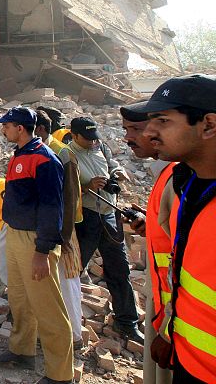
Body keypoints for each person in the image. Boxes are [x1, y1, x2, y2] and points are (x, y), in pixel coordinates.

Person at [130, 74, 216, 382]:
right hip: (188, 360)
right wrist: (169, 332)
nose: (148, 131)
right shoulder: (184, 184)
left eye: (163, 121)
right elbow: (180, 275)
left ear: (208, 125)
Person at [0, 107, 73, 384]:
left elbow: (53, 208)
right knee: (20, 299)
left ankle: (60, 375)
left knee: (48, 307)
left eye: (7, 126)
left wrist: (42, 251)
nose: (3, 130)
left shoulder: (44, 159)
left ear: (20, 128)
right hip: (15, 234)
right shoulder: (20, 154)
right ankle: (22, 350)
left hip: (34, 239)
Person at [68, 116, 142, 342]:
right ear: (74, 135)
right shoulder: (67, 155)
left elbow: (113, 165)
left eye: (94, 138)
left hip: (109, 215)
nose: (92, 142)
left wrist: (117, 172)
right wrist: (87, 186)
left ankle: (126, 322)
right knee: (73, 271)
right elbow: (64, 191)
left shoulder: (100, 147)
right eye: (87, 138)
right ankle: (66, 324)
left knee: (119, 269)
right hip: (86, 218)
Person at [120, 103, 173, 384]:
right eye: (126, 129)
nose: (128, 137)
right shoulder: (166, 175)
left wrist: (168, 329)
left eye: (136, 129)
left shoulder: (178, 179)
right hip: (164, 302)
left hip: (176, 314)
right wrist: (150, 225)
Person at [35, 110, 85, 349]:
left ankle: (74, 335)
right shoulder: (37, 151)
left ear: (39, 129)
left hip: (61, 230)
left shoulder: (62, 153)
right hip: (44, 228)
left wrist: (64, 235)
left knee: (67, 280)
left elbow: (70, 198)